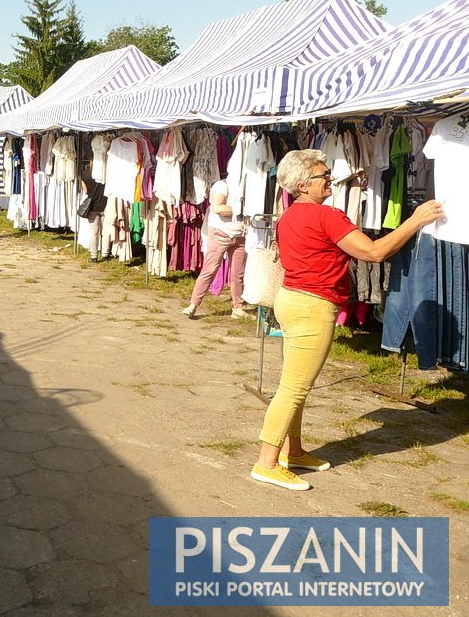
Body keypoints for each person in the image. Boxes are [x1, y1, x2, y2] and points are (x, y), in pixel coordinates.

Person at [250, 149, 444, 491]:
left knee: (295, 384)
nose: (330, 179)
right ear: (302, 184)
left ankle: (292, 451)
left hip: (291, 299)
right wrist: (415, 220)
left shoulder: (288, 216)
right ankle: (266, 462)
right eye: (323, 175)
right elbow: (373, 252)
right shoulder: (327, 216)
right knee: (294, 388)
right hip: (313, 306)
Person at [182, 177, 252, 320]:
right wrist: (243, 210)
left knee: (238, 274)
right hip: (220, 233)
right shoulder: (222, 185)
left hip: (241, 235)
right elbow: (217, 208)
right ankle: (193, 304)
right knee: (210, 268)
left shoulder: (251, 186)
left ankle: (237, 308)